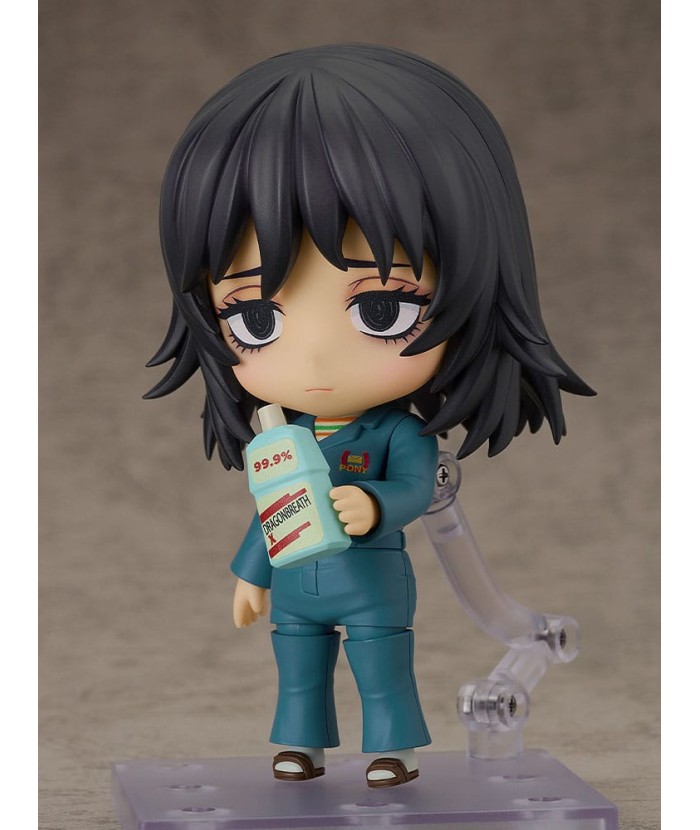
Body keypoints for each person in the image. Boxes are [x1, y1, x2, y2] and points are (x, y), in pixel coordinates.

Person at [147, 44, 593, 787]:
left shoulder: (396, 432)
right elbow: (271, 512)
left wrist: (376, 503)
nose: (316, 358)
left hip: (372, 580)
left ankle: (393, 749)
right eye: (255, 318)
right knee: (298, 669)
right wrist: (250, 575)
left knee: (382, 666)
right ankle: (301, 746)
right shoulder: (281, 438)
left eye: (382, 309)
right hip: (296, 582)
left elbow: (418, 488)